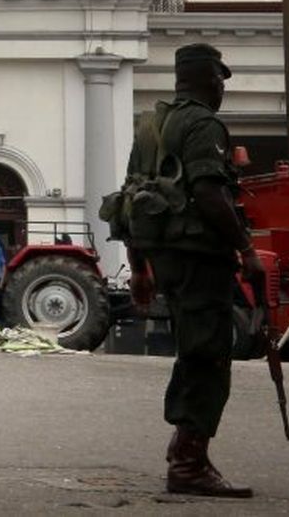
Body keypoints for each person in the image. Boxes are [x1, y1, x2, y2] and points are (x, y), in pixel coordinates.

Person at [122, 43, 259, 498]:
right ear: (209, 80)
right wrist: (247, 250)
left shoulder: (151, 126)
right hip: (199, 258)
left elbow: (129, 199)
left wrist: (138, 268)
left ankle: (184, 448)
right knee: (209, 356)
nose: (222, 89)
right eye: (220, 80)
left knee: (192, 351)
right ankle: (189, 462)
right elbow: (209, 193)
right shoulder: (204, 124)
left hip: (165, 259)